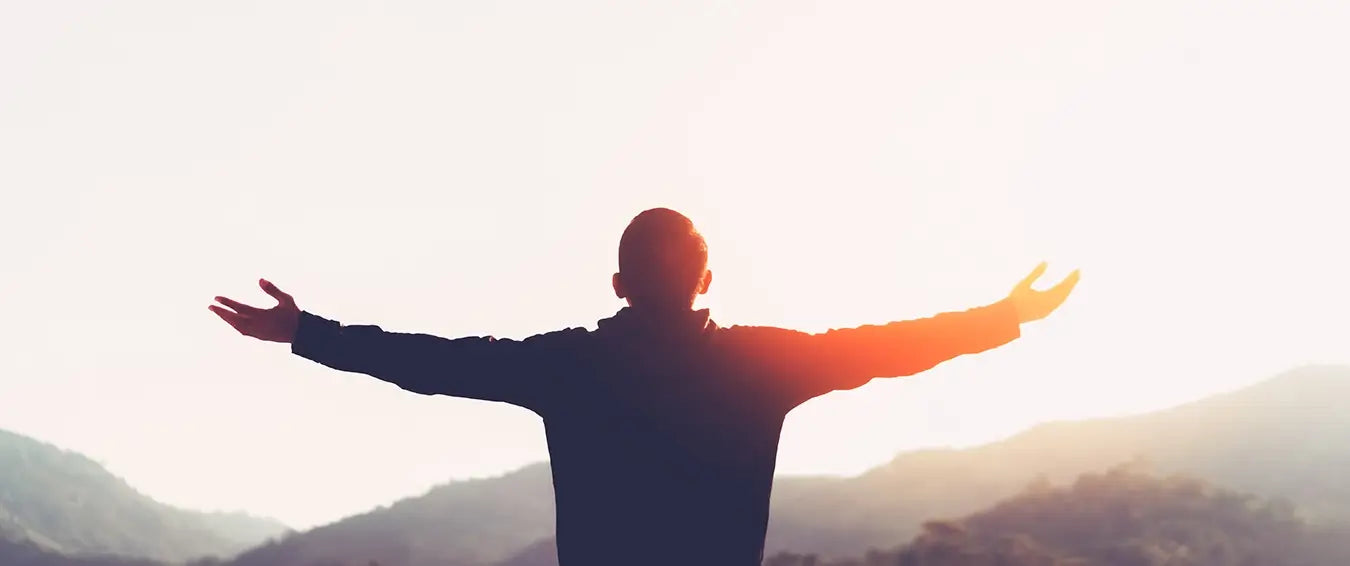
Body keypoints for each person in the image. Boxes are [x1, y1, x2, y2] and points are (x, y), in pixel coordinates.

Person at [209, 207, 1079, 566]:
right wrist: (1007, 316)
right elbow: (892, 348)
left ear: (617, 285)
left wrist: (304, 332)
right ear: (707, 282)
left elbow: (434, 362)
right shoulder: (760, 364)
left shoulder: (571, 366)